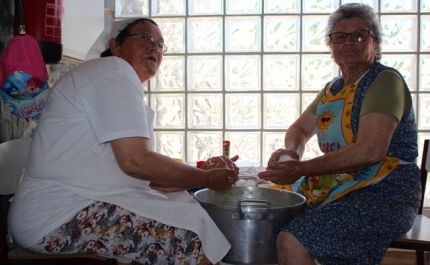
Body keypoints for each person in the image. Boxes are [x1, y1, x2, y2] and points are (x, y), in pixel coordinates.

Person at [8, 17, 239, 265]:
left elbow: (150, 179)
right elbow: (136, 162)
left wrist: (200, 171)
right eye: (144, 37)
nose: (154, 47)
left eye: (160, 45)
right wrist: (205, 179)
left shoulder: (117, 83)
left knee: (187, 208)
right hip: (55, 214)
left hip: (76, 204)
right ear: (115, 46)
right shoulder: (111, 71)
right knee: (189, 236)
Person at [258, 3, 421, 265]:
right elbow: (299, 129)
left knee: (292, 237)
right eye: (340, 36)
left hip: (385, 193)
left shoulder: (385, 81)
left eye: (359, 35)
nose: (349, 42)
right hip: (340, 186)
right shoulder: (332, 89)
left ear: (375, 44)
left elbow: (370, 150)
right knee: (269, 218)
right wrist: (292, 151)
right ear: (331, 47)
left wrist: (301, 168)